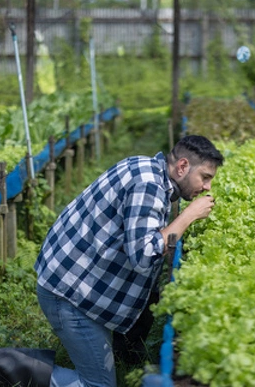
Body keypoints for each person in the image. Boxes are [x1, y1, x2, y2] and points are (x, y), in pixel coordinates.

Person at [34, 135, 224, 387]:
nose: (208, 187)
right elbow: (144, 256)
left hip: (73, 278)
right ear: (182, 167)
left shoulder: (148, 168)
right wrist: (188, 216)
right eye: (205, 177)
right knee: (98, 385)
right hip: (69, 293)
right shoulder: (148, 185)